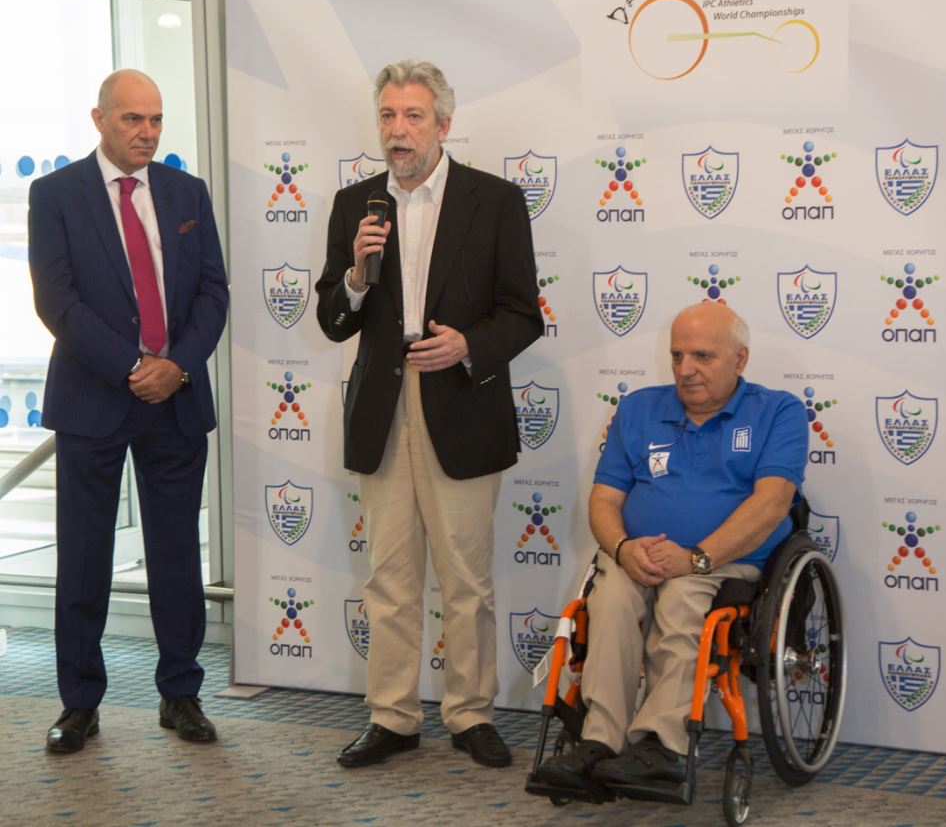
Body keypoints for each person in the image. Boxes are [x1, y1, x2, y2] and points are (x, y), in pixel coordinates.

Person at [315, 60, 542, 769]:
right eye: (387, 115)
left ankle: (470, 713)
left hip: (461, 402)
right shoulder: (354, 204)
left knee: (465, 579)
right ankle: (392, 716)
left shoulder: (493, 200)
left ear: (443, 124)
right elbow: (332, 318)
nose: (398, 130)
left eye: (412, 116)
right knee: (389, 577)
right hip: (382, 409)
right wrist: (356, 278)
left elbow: (523, 313)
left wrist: (468, 344)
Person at [27, 69, 230, 753]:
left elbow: (213, 291)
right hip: (93, 399)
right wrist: (131, 366)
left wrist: (177, 365)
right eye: (133, 119)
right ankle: (79, 703)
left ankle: (181, 694)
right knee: (85, 556)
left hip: (176, 397)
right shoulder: (56, 194)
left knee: (176, 553)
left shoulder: (186, 192)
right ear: (100, 119)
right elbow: (56, 300)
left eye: (156, 120)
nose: (147, 132)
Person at [536, 302, 807, 790]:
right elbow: (604, 499)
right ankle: (599, 741)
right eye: (677, 355)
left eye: (702, 356)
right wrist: (622, 548)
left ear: (740, 359)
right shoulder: (638, 408)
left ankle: (662, 745)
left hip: (723, 563)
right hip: (637, 555)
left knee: (684, 598)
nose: (686, 369)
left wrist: (696, 558)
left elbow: (772, 505)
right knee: (610, 600)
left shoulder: (777, 411)